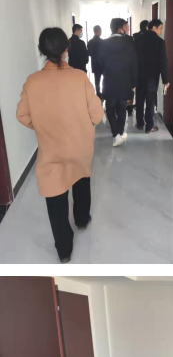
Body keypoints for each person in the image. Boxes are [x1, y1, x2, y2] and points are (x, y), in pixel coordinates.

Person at [16, 27, 103, 263]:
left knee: (55, 196)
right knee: (81, 180)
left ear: (42, 50)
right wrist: (82, 125)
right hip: (79, 146)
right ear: (66, 49)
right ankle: (82, 220)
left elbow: (22, 115)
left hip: (51, 149)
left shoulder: (32, 82)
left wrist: (43, 126)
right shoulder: (79, 77)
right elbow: (97, 114)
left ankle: (64, 250)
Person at [98, 17, 138, 147]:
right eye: (126, 27)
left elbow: (100, 63)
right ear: (120, 29)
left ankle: (116, 134)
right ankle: (120, 132)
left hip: (109, 80)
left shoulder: (103, 43)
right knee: (122, 107)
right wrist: (133, 83)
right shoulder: (129, 43)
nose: (128, 29)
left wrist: (105, 72)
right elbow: (134, 64)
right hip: (125, 81)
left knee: (110, 108)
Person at [134, 19, 169, 134]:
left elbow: (133, 60)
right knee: (150, 102)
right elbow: (163, 62)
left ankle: (139, 124)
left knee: (139, 100)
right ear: (154, 28)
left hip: (139, 77)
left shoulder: (138, 39)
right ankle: (149, 126)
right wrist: (166, 80)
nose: (161, 31)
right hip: (152, 79)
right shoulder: (159, 42)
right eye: (160, 28)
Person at [87, 25, 104, 98]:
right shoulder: (102, 42)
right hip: (103, 63)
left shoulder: (90, 42)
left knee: (97, 80)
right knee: (105, 79)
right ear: (99, 31)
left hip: (94, 64)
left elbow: (89, 53)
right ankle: (104, 92)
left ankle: (98, 93)